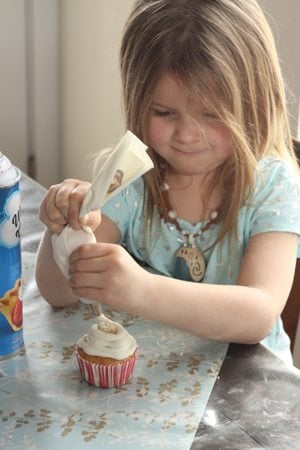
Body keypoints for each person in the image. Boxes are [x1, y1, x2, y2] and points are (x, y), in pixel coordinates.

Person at [36, 0, 300, 365]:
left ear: (252, 104)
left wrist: (139, 289)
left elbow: (258, 313)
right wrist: (64, 231)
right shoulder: (129, 178)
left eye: (212, 115)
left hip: (249, 389)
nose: (188, 135)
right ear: (138, 99)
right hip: (159, 378)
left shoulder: (273, 184)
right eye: (165, 113)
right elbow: (58, 294)